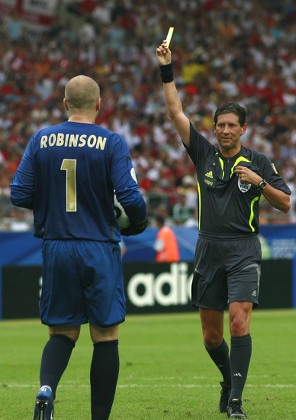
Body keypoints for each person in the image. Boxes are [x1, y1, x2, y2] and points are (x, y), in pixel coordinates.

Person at [156, 41, 291, 419]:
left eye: (233, 125)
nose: (226, 130)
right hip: (207, 250)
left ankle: (235, 402)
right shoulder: (203, 154)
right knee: (211, 337)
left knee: (239, 320)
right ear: (214, 129)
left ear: (243, 129)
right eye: (221, 125)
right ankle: (226, 380)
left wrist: (260, 183)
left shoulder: (259, 162)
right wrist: (167, 68)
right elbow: (174, 111)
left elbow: (285, 202)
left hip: (244, 249)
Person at [10, 75, 148, 420]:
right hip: (98, 247)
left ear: (65, 104)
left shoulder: (42, 139)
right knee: (105, 335)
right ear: (99, 104)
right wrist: (139, 222)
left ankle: (46, 389)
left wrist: (52, 204)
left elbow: (19, 193)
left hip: (57, 246)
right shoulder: (111, 142)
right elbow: (130, 196)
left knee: (62, 331)